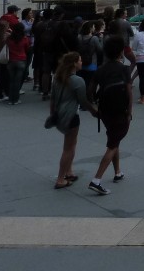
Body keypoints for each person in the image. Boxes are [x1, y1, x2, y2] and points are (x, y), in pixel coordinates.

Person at [88, 36, 134, 194]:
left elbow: (91, 90)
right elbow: (129, 92)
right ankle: (96, 179)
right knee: (113, 144)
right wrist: (129, 112)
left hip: (105, 111)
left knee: (114, 139)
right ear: (121, 52)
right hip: (120, 110)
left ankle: (118, 172)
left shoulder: (101, 70)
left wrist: (94, 106)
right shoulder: (124, 69)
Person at [50, 51, 97, 190]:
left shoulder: (57, 78)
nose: (82, 62)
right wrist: (94, 112)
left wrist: (52, 114)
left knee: (70, 144)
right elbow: (83, 101)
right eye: (80, 60)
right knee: (69, 148)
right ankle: (60, 178)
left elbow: (52, 99)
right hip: (72, 116)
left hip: (60, 114)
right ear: (74, 63)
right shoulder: (78, 80)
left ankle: (69, 171)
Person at [5, 21, 30, 104]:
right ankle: (16, 99)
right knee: (17, 81)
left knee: (11, 81)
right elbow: (27, 48)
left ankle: (10, 98)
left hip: (11, 60)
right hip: (21, 60)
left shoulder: (9, 39)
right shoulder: (24, 38)